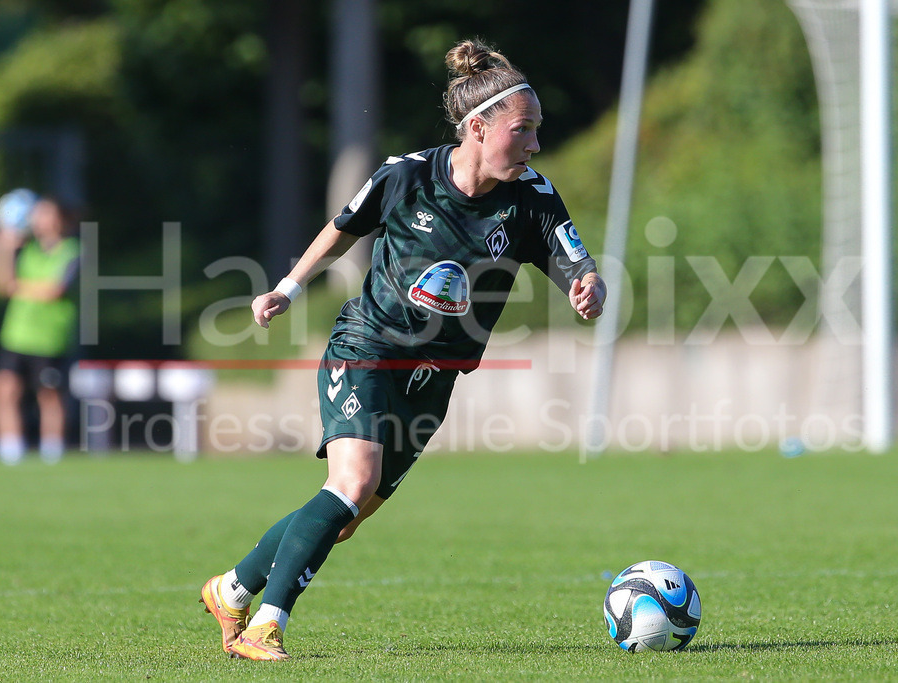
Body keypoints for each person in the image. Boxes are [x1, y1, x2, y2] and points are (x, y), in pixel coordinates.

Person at [200, 38, 607, 661]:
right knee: (352, 482)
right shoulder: (406, 175)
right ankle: (265, 627)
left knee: (347, 514)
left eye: (538, 131)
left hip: (437, 376)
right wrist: (286, 288)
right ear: (477, 127)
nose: (534, 144)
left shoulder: (533, 196)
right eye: (523, 130)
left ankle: (232, 589)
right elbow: (341, 230)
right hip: (367, 347)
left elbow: (571, 259)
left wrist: (585, 285)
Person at [0, 196, 80, 465]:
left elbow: (54, 290)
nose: (38, 220)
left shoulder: (72, 250)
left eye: (45, 214)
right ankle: (11, 453)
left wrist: (19, 287)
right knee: (3, 390)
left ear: (59, 219)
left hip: (49, 339)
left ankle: (52, 454)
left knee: (49, 396)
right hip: (16, 335)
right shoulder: (27, 250)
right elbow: (3, 285)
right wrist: (3, 248)